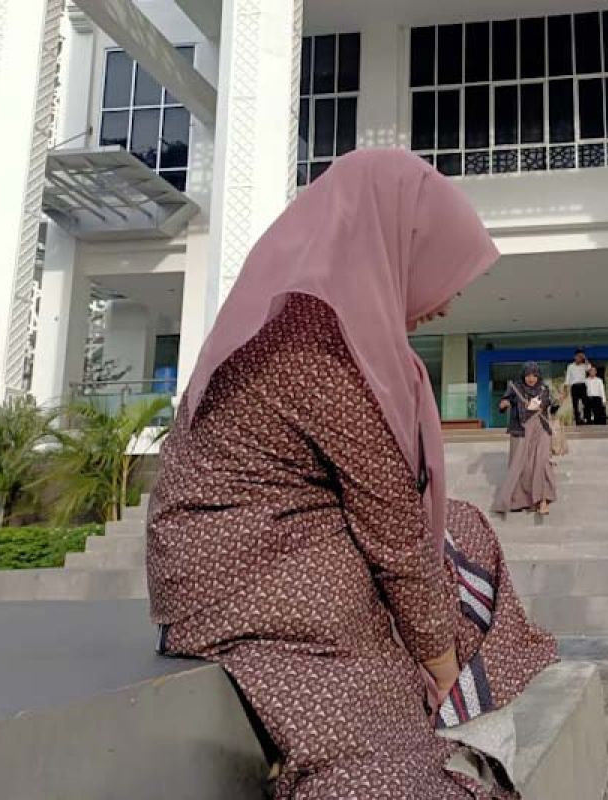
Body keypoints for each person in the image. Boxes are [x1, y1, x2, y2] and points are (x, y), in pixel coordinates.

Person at [146, 150, 558, 800]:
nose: (445, 304)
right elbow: (394, 537)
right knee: (392, 761)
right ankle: (455, 726)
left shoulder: (303, 311)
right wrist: (442, 668)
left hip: (252, 542)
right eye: (440, 268)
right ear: (396, 244)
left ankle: (461, 711)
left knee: (463, 534)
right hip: (246, 572)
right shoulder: (325, 344)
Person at [492, 362, 560, 515]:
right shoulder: (515, 387)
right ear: (523, 375)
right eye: (528, 375)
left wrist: (557, 403)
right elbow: (505, 401)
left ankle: (543, 500)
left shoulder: (544, 389)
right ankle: (519, 501)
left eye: (534, 375)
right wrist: (504, 404)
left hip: (541, 427)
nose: (531, 378)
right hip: (521, 429)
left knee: (542, 462)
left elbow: (550, 406)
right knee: (520, 465)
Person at [564, 349, 590, 425]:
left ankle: (587, 419)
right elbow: (568, 378)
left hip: (582, 386)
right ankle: (578, 421)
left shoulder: (584, 365)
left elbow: (589, 367)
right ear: (574, 357)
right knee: (575, 405)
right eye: (578, 356)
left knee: (586, 403)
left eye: (581, 357)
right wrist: (565, 388)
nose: (579, 358)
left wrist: (585, 358)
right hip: (574, 387)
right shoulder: (570, 366)